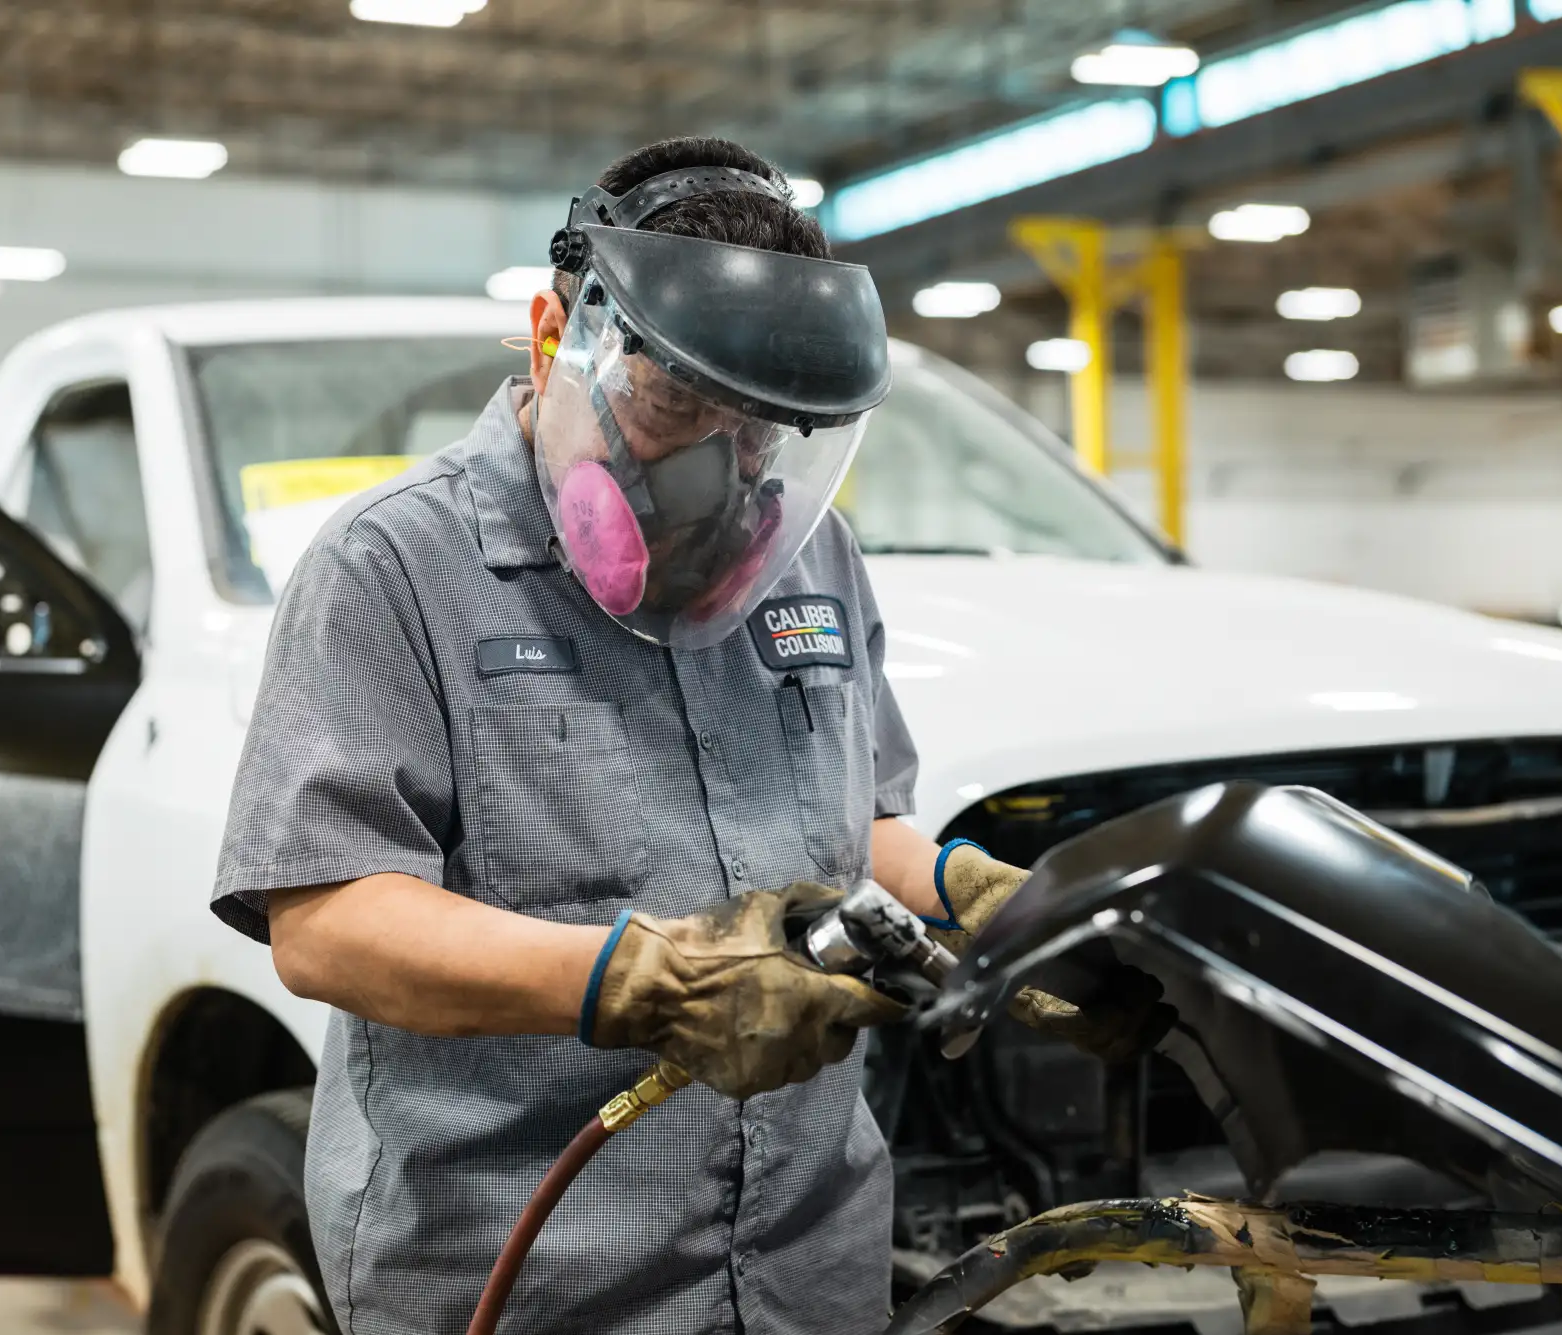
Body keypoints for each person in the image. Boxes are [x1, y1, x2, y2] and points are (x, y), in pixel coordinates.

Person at [212, 136, 1163, 1334]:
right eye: (675, 404)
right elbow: (329, 926)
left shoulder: (813, 560)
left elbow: (853, 825)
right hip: (530, 1273)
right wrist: (633, 982)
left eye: (762, 429)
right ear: (556, 337)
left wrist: (973, 902)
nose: (722, 469)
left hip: (809, 1266)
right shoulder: (394, 568)